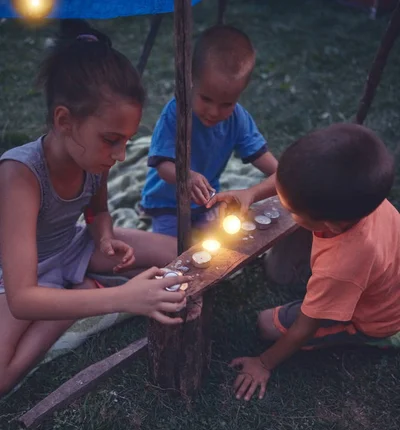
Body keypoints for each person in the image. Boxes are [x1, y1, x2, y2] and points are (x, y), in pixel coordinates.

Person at [0, 20, 189, 397]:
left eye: (127, 142)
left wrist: (104, 238)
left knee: (180, 253)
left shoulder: (94, 160)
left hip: (73, 246)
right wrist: (122, 297)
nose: (120, 156)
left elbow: (97, 212)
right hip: (18, 276)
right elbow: (22, 298)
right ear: (64, 120)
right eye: (111, 140)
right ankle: (72, 305)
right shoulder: (20, 175)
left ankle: (78, 292)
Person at [230, 123, 400, 401]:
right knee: (288, 248)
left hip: (372, 316)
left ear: (330, 225)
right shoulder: (358, 196)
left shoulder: (341, 266)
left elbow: (304, 328)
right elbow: (290, 180)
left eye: (292, 209)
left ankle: (378, 337)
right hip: (379, 276)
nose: (283, 206)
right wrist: (251, 194)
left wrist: (263, 363)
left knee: (266, 325)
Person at [141, 25, 278, 238]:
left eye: (226, 103)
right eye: (206, 99)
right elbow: (162, 166)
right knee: (172, 255)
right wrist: (186, 176)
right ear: (191, 82)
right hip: (167, 203)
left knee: (226, 243)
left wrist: (255, 190)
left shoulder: (238, 119)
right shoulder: (176, 113)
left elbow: (276, 169)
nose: (214, 112)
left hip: (208, 201)